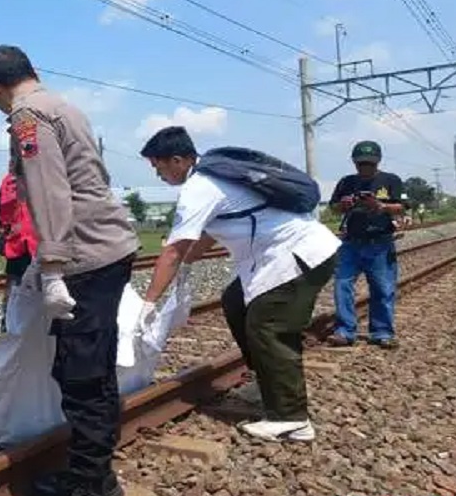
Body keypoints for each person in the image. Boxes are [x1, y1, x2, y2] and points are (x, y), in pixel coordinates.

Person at [0, 45, 140, 496]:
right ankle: (96, 477)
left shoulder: (28, 116)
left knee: (83, 377)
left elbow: (50, 191)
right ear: (34, 72)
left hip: (84, 256)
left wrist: (50, 265)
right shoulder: (63, 104)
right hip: (105, 249)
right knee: (93, 368)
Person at [138, 126, 340, 442]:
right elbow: (206, 233)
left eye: (159, 167)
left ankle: (291, 419)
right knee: (235, 302)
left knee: (269, 326)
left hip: (298, 256)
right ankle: (265, 384)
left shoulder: (200, 187)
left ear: (177, 160)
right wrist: (189, 264)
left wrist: (148, 303)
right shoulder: (212, 178)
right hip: (278, 258)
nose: (159, 175)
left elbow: (173, 250)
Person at [326, 140, 405, 349]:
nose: (365, 167)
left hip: (380, 242)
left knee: (382, 288)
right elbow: (333, 208)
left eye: (369, 163)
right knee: (342, 284)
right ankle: (345, 331)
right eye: (361, 163)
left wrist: (381, 206)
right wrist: (342, 205)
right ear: (354, 162)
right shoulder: (346, 182)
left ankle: (382, 332)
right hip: (351, 242)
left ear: (378, 161)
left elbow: (402, 207)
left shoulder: (390, 180)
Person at [0, 170, 38, 329]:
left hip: (49, 258)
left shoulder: (52, 174)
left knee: (48, 317)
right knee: (13, 317)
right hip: (17, 257)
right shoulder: (9, 182)